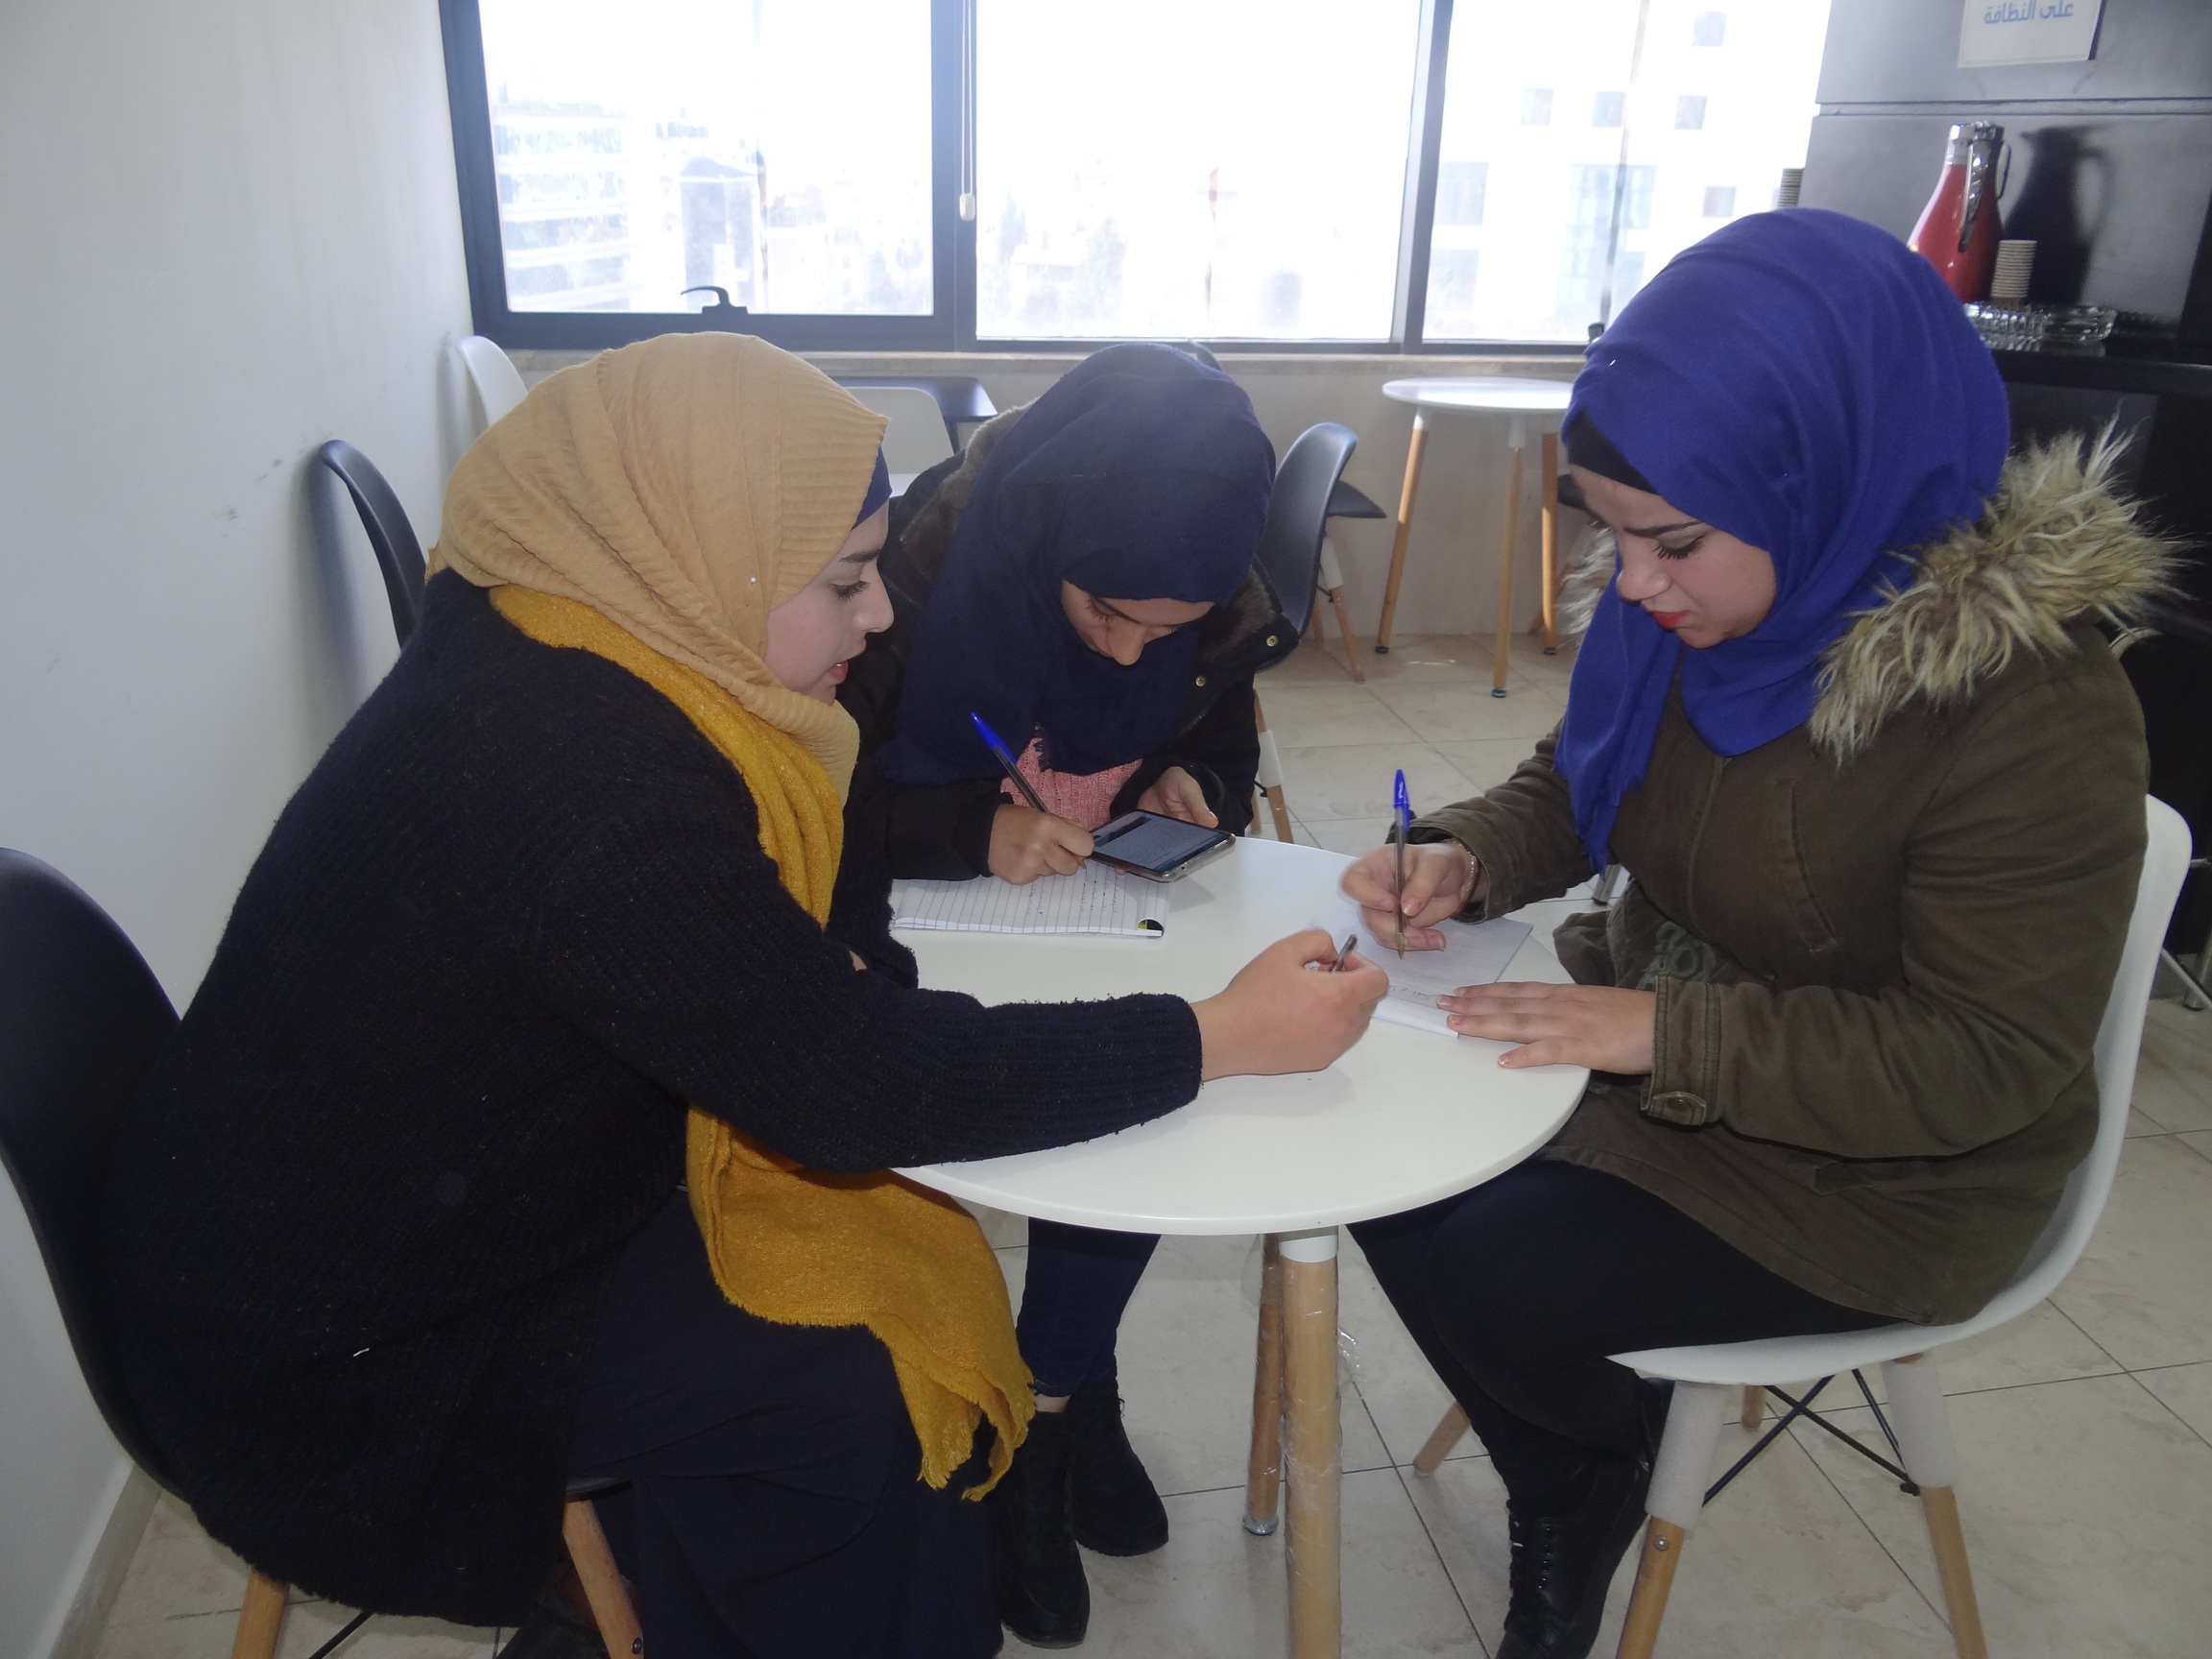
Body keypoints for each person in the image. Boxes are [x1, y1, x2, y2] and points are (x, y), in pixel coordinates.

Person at [102, 334, 1385, 1659]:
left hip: (379, 1221)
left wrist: (810, 988)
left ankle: (692, 1585)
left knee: (858, 1272)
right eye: (844, 581)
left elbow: (794, 976)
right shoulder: (586, 778)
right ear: (696, 554)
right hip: (355, 1348)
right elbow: (852, 1087)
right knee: (865, 1373)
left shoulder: (547, 638)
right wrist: (1214, 1036)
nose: (877, 618)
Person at [1337, 209, 2169, 1659]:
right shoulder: (1700, 611)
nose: (1635, 586)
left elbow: (1981, 1060)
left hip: (1886, 1175)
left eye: (1674, 542)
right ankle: (1575, 1473)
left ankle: (1584, 1472)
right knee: (1372, 1150)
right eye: (1611, 533)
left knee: (1492, 1268)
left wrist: (1661, 1030)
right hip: (1662, 1051)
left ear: (1821, 475)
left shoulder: (2031, 713)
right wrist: (1468, 855)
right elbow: (1583, 783)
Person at [837, 343, 1292, 1647]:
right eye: (1108, 615)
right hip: (920, 919)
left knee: (1144, 1090)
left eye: (1168, 629)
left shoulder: (1212, 595)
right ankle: (1041, 1405)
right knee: (1012, 1105)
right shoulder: (904, 576)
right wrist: (963, 829)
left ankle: (1054, 1403)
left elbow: (1222, 740)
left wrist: (1189, 784)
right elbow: (818, 791)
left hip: (1096, 912)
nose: (1135, 647)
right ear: (1048, 539)